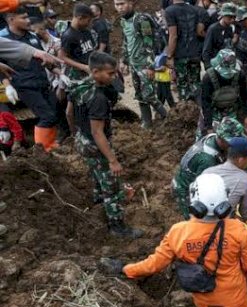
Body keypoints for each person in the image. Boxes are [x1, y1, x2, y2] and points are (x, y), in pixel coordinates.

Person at [100, 173, 247, 307]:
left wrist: (125, 269)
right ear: (224, 204)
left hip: (203, 295)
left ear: (194, 201)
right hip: (233, 296)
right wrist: (242, 275)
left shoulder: (178, 232)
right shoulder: (237, 229)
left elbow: (154, 264)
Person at [70, 51, 143, 238]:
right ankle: (117, 226)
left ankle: (98, 199)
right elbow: (97, 132)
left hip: (82, 140)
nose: (114, 77)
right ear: (95, 72)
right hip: (95, 143)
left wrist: (75, 133)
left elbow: (69, 112)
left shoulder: (79, 86)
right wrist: (112, 160)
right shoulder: (98, 99)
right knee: (112, 186)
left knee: (96, 172)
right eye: (110, 73)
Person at [2, 7, 66, 152]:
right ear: (11, 19)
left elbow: (42, 59)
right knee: (47, 116)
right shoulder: (3, 39)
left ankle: (51, 144)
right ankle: (43, 150)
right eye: (23, 18)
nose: (28, 20)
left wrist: (58, 73)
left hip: (42, 82)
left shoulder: (32, 36)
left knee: (55, 114)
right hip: (25, 85)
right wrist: (7, 86)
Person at [173, 117, 245, 219]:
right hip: (185, 188)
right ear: (222, 139)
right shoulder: (208, 160)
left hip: (195, 175)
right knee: (197, 218)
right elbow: (205, 190)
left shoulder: (212, 138)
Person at [114, 0, 168, 129]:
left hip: (144, 64)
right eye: (116, 4)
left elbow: (149, 42)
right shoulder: (123, 21)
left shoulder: (141, 20)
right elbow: (126, 41)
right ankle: (147, 123)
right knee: (140, 95)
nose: (119, 7)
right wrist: (124, 60)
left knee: (149, 95)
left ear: (131, 3)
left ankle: (168, 119)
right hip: (134, 65)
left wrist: (150, 66)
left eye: (122, 3)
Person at [203, 137, 247, 227]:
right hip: (220, 226)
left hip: (198, 220)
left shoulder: (207, 171)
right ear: (241, 160)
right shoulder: (246, 180)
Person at [59, 3, 98, 136]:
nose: (89, 23)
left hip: (90, 73)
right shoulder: (68, 35)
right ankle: (75, 134)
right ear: (80, 18)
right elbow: (62, 57)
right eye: (88, 20)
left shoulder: (86, 32)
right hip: (77, 76)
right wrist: (83, 67)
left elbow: (91, 51)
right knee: (73, 108)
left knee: (89, 104)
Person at [200, 49, 247, 135]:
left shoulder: (240, 75)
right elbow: (205, 103)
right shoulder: (208, 78)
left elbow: (245, 96)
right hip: (213, 112)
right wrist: (209, 127)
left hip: (232, 111)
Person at [165, 0, 205, 101]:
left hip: (181, 55)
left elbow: (173, 36)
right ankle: (200, 111)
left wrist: (169, 56)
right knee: (196, 84)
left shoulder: (170, 11)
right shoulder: (195, 10)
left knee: (183, 86)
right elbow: (199, 31)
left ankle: (187, 113)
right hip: (195, 53)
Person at [202, 2, 237, 67]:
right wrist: (208, 67)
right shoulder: (213, 29)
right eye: (230, 17)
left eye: (234, 17)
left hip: (226, 65)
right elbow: (206, 50)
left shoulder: (229, 28)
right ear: (223, 15)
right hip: (215, 64)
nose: (232, 20)